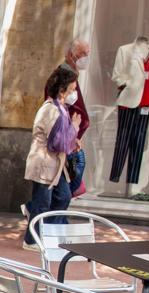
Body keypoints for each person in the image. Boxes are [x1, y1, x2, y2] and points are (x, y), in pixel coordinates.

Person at [22, 64, 80, 249]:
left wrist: (74, 138)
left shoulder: (60, 109)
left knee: (63, 196)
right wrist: (75, 129)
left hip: (56, 164)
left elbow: (62, 138)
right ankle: (31, 239)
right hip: (45, 162)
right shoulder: (51, 109)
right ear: (63, 89)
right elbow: (57, 142)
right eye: (72, 89)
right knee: (42, 202)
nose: (74, 92)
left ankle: (48, 233)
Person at [61, 39, 92, 198]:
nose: (86, 57)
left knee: (76, 169)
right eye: (83, 54)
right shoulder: (64, 74)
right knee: (66, 188)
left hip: (73, 137)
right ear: (72, 55)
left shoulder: (73, 74)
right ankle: (35, 209)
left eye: (88, 54)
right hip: (67, 138)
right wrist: (71, 134)